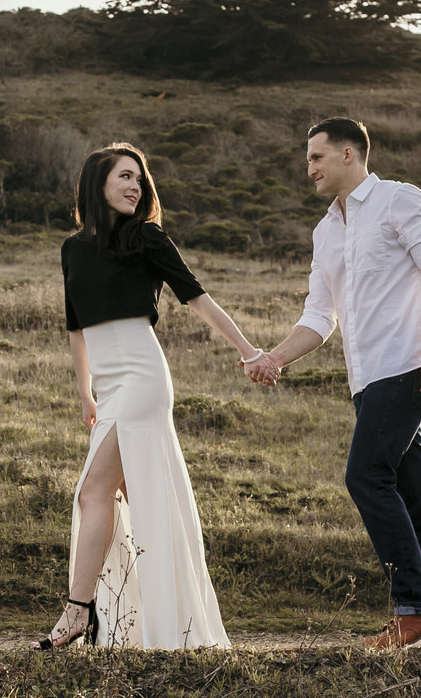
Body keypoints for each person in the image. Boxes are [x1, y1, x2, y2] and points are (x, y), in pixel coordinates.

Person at [243, 117, 421, 649]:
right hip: (366, 380)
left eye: (317, 158)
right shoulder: (325, 232)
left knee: (365, 476)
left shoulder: (400, 200)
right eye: (308, 160)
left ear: (349, 154)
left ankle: (416, 609)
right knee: (415, 495)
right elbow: (319, 317)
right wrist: (274, 358)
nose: (309, 169)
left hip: (407, 365)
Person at [41, 141, 261, 651]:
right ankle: (126, 617)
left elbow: (198, 298)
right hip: (110, 386)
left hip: (142, 376)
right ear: (97, 184)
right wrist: (85, 395)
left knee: (93, 492)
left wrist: (249, 351)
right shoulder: (72, 249)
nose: (135, 185)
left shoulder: (147, 238)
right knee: (125, 499)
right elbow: (76, 328)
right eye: (124, 176)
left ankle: (79, 613)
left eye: (139, 178)